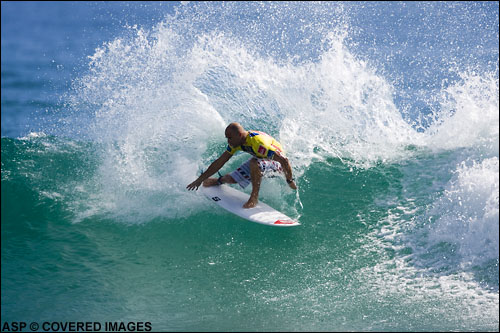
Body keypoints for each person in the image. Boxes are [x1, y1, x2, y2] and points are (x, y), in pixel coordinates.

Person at [186, 122, 297, 208]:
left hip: (277, 165)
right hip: (261, 160)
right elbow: (220, 162)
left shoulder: (258, 143)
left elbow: (284, 160)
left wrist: (289, 181)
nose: (228, 141)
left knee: (254, 163)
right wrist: (200, 179)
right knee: (232, 178)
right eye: (227, 138)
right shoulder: (237, 142)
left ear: (239, 135)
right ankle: (217, 181)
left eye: (230, 138)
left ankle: (254, 198)